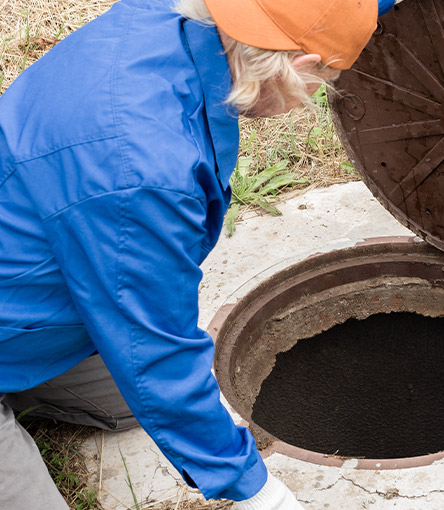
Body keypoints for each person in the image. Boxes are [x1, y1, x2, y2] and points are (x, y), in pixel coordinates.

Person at [0, 0, 398, 508]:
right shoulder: (141, 172)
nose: (311, 99)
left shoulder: (171, 17)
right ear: (299, 67)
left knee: (135, 408)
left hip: (32, 283)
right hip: (31, 298)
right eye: (325, 81)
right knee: (157, 388)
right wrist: (257, 493)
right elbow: (154, 353)